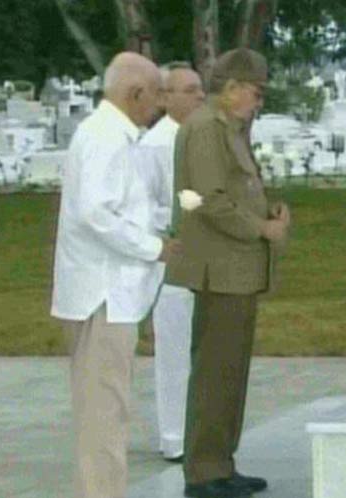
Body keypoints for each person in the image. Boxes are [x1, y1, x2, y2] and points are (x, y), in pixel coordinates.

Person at [50, 51, 180, 498]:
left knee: (109, 412)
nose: (161, 105)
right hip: (101, 295)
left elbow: (130, 206)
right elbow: (96, 214)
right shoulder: (105, 136)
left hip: (113, 294)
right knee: (103, 416)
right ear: (135, 93)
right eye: (158, 94)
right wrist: (154, 247)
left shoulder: (119, 136)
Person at [165, 48, 290, 498]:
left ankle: (220, 463)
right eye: (254, 93)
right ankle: (202, 472)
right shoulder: (204, 129)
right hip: (220, 271)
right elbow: (207, 199)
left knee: (229, 374)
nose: (257, 102)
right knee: (214, 374)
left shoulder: (227, 128)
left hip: (237, 270)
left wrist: (266, 211)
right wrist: (263, 228)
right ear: (233, 87)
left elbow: (235, 190)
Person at [140, 61, 205, 462]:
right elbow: (146, 206)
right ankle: (175, 437)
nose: (199, 96)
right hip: (173, 256)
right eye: (188, 90)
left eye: (200, 89)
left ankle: (199, 434)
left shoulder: (194, 137)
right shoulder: (156, 145)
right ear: (165, 98)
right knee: (175, 347)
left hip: (204, 253)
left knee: (201, 348)